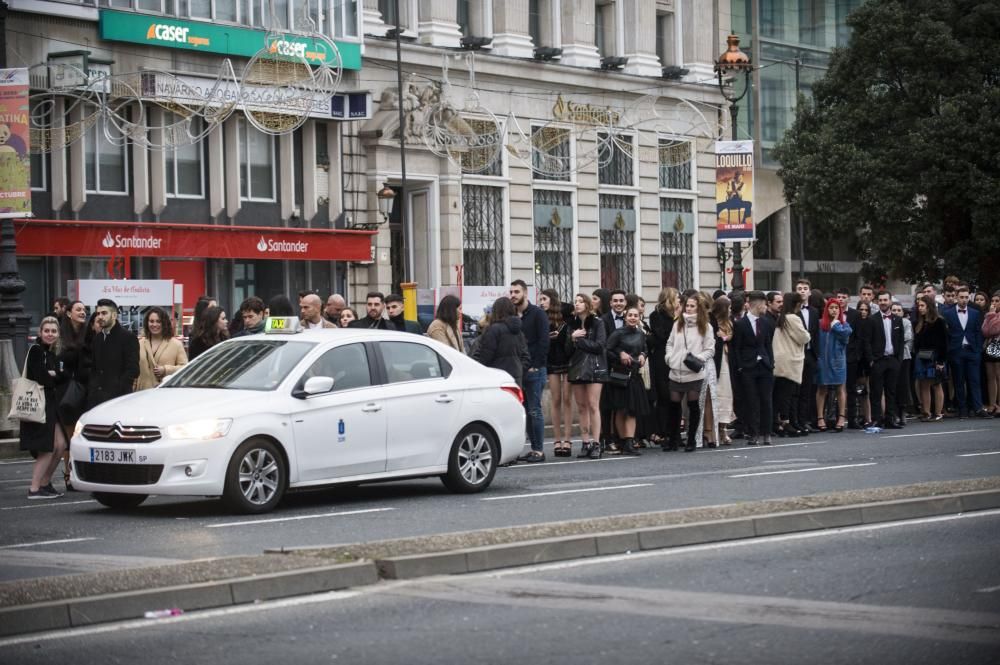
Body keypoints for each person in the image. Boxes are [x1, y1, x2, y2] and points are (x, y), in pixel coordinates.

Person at [20, 317, 68, 499]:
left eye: (53, 331)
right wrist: (53, 375)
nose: (50, 334)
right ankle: (34, 488)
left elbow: (63, 376)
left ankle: (45, 483)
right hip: (39, 405)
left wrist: (54, 375)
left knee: (61, 444)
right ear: (40, 333)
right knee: (46, 447)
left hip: (51, 405)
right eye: (46, 330)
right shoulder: (36, 351)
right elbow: (43, 377)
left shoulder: (51, 353)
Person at [665, 294, 716, 452]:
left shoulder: (706, 326)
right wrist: (669, 358)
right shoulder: (677, 324)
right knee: (674, 405)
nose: (689, 309)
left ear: (699, 308)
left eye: (692, 306)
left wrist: (697, 359)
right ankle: (673, 439)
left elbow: (710, 349)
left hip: (693, 371)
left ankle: (692, 439)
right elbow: (670, 343)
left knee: (693, 405)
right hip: (675, 370)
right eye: (687, 306)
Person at [509, 280, 550, 462]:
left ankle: (539, 450)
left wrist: (536, 364)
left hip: (534, 369)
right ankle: (532, 448)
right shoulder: (512, 315)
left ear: (525, 293)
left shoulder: (538, 314)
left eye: (516, 291)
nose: (513, 295)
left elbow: (544, 341)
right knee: (525, 410)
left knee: (535, 410)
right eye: (511, 292)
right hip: (518, 370)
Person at [730, 291, 775, 446]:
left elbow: (768, 343)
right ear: (758, 305)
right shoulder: (740, 324)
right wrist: (741, 366)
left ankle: (767, 433)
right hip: (748, 366)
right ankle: (754, 432)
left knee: (767, 400)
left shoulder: (766, 322)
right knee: (752, 401)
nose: (766, 307)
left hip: (764, 365)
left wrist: (771, 362)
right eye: (764, 304)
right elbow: (737, 347)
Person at [604, 305, 650, 456]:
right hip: (620, 375)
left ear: (639, 318)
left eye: (635, 315)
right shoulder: (618, 333)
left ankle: (629, 442)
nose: (632, 318)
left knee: (632, 410)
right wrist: (620, 354)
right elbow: (607, 350)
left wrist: (643, 354)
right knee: (621, 409)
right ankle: (623, 440)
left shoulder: (641, 333)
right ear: (625, 317)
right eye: (630, 315)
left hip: (635, 375)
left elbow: (645, 348)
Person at [566, 294, 607, 459]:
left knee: (593, 405)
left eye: (580, 301)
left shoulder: (597, 322)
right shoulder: (572, 325)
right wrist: (571, 338)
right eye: (575, 302)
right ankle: (585, 443)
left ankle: (596, 443)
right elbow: (566, 351)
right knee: (581, 407)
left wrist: (578, 341)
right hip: (576, 368)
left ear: (587, 304)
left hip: (595, 368)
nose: (577, 304)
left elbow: (599, 346)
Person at [941, 285, 990, 418]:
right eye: (961, 297)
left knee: (974, 380)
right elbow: (946, 334)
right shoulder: (947, 313)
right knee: (958, 381)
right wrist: (950, 349)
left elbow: (978, 332)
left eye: (966, 297)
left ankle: (978, 408)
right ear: (956, 297)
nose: (964, 300)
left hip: (972, 351)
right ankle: (962, 409)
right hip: (956, 351)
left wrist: (978, 349)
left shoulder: (975, 313)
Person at [84, 299, 139, 411]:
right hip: (96, 400)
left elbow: (133, 370)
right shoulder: (97, 339)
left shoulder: (128, 338)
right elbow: (94, 369)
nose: (100, 317)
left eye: (104, 313)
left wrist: (117, 388)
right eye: (98, 313)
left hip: (119, 400)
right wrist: (93, 390)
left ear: (114, 315)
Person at [55, 300, 88, 489]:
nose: (82, 312)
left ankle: (77, 472)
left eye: (84, 310)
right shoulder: (61, 334)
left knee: (80, 433)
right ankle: (68, 472)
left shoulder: (89, 333)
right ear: (68, 313)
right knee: (69, 435)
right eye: (78, 309)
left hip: (85, 388)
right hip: (66, 390)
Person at [862, 290, 905, 428]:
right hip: (878, 361)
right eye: (880, 300)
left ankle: (890, 419)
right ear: (877, 302)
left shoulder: (898, 320)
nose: (883, 303)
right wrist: (871, 360)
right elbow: (867, 341)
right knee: (876, 392)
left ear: (890, 301)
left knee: (891, 392)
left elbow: (901, 340)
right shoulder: (871, 319)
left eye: (885, 300)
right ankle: (876, 419)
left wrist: (899, 359)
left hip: (893, 360)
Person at [772, 292, 811, 437]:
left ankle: (778, 422)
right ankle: (786, 422)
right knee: (788, 395)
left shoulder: (781, 318)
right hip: (790, 360)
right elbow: (804, 337)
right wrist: (809, 334)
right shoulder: (793, 318)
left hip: (780, 359)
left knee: (779, 394)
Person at [539, 289, 573, 456]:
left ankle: (567, 440)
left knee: (567, 399)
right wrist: (547, 337)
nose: (541, 302)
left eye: (544, 299)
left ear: (552, 300)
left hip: (567, 360)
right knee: (556, 399)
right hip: (552, 360)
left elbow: (573, 310)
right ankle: (557, 440)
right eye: (541, 299)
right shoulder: (542, 316)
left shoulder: (566, 312)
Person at [648, 287, 679, 447]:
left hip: (677, 358)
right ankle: (662, 431)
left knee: (676, 396)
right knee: (664, 395)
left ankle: (674, 431)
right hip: (661, 359)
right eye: (676, 298)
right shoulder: (656, 316)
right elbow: (662, 336)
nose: (679, 301)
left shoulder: (679, 316)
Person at [815, 298, 853, 432]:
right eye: (831, 307)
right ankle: (820, 417)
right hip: (823, 361)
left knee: (840, 389)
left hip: (838, 361)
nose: (834, 310)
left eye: (836, 308)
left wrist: (836, 324)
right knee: (822, 389)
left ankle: (841, 417)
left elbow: (846, 336)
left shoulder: (844, 324)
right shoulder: (820, 324)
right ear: (826, 309)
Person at [705, 296, 735, 446]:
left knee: (727, 393)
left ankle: (723, 427)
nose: (730, 310)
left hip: (727, 360)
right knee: (718, 392)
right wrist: (724, 338)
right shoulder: (712, 322)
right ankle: (714, 429)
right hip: (718, 360)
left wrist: (728, 337)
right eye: (728, 308)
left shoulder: (730, 322)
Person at [913, 295, 948, 421]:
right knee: (923, 384)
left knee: (936, 383)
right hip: (921, 356)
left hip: (935, 356)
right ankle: (926, 412)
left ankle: (938, 412)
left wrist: (941, 361)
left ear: (929, 307)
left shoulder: (939, 321)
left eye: (922, 306)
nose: (920, 308)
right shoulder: (919, 322)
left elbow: (944, 343)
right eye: (919, 306)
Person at [136, 306, 188, 390]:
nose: (154, 324)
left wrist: (165, 370)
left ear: (164, 323)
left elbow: (185, 368)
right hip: (142, 393)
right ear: (147, 323)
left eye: (158, 321)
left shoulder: (176, 344)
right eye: (151, 321)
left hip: (165, 393)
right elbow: (135, 371)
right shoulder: (140, 344)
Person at [795, 279, 820, 431]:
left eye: (805, 288)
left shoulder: (814, 311)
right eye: (799, 288)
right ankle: (795, 420)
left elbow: (816, 334)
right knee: (795, 390)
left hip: (810, 354)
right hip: (796, 354)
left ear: (810, 292)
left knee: (808, 389)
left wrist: (817, 355)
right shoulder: (792, 311)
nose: (802, 291)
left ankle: (805, 421)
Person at [892, 301, 914, 424]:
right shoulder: (888, 322)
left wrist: (893, 339)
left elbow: (907, 337)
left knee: (903, 385)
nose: (896, 312)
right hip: (891, 357)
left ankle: (902, 411)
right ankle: (894, 412)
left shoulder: (906, 322)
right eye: (893, 310)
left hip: (904, 357)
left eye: (898, 310)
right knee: (892, 385)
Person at [982, 291, 1000, 416]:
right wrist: (991, 315)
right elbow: (985, 331)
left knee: (999, 377)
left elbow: (994, 329)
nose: (994, 303)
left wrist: (991, 315)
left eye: (997, 301)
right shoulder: (990, 315)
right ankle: (992, 404)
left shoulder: (992, 315)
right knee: (990, 377)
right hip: (989, 347)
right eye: (992, 301)